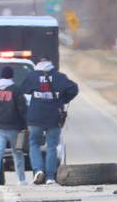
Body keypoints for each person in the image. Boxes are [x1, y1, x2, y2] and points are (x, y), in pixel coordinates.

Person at [20, 57, 79, 185]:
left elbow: (23, 89)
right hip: (54, 116)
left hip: (35, 116)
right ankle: (50, 177)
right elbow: (74, 88)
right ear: (50, 64)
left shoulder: (32, 77)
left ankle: (38, 170)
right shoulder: (59, 77)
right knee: (52, 146)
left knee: (34, 144)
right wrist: (63, 100)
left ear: (39, 64)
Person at [0, 66, 28, 186]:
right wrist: (25, 123)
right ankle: (21, 179)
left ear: (1, 75)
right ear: (12, 76)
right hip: (15, 127)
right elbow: (22, 109)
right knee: (17, 153)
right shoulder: (16, 90)